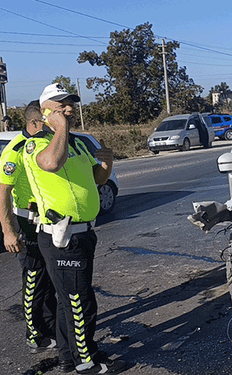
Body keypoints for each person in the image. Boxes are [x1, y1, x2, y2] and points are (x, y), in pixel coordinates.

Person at [22, 83, 125, 374]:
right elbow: (52, 163)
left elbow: (98, 180)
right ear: (45, 110)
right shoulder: (38, 142)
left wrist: (106, 163)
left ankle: (70, 358)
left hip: (83, 233)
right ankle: (85, 363)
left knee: (72, 300)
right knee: (79, 303)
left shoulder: (78, 142)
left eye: (71, 104)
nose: (69, 109)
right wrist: (59, 128)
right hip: (61, 235)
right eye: (61, 104)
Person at [0, 100, 58, 354]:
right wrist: (8, 230)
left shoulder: (44, 144)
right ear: (35, 122)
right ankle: (34, 334)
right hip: (27, 221)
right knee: (33, 279)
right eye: (47, 118)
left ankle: (51, 326)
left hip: (46, 220)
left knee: (48, 279)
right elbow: (2, 193)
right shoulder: (15, 151)